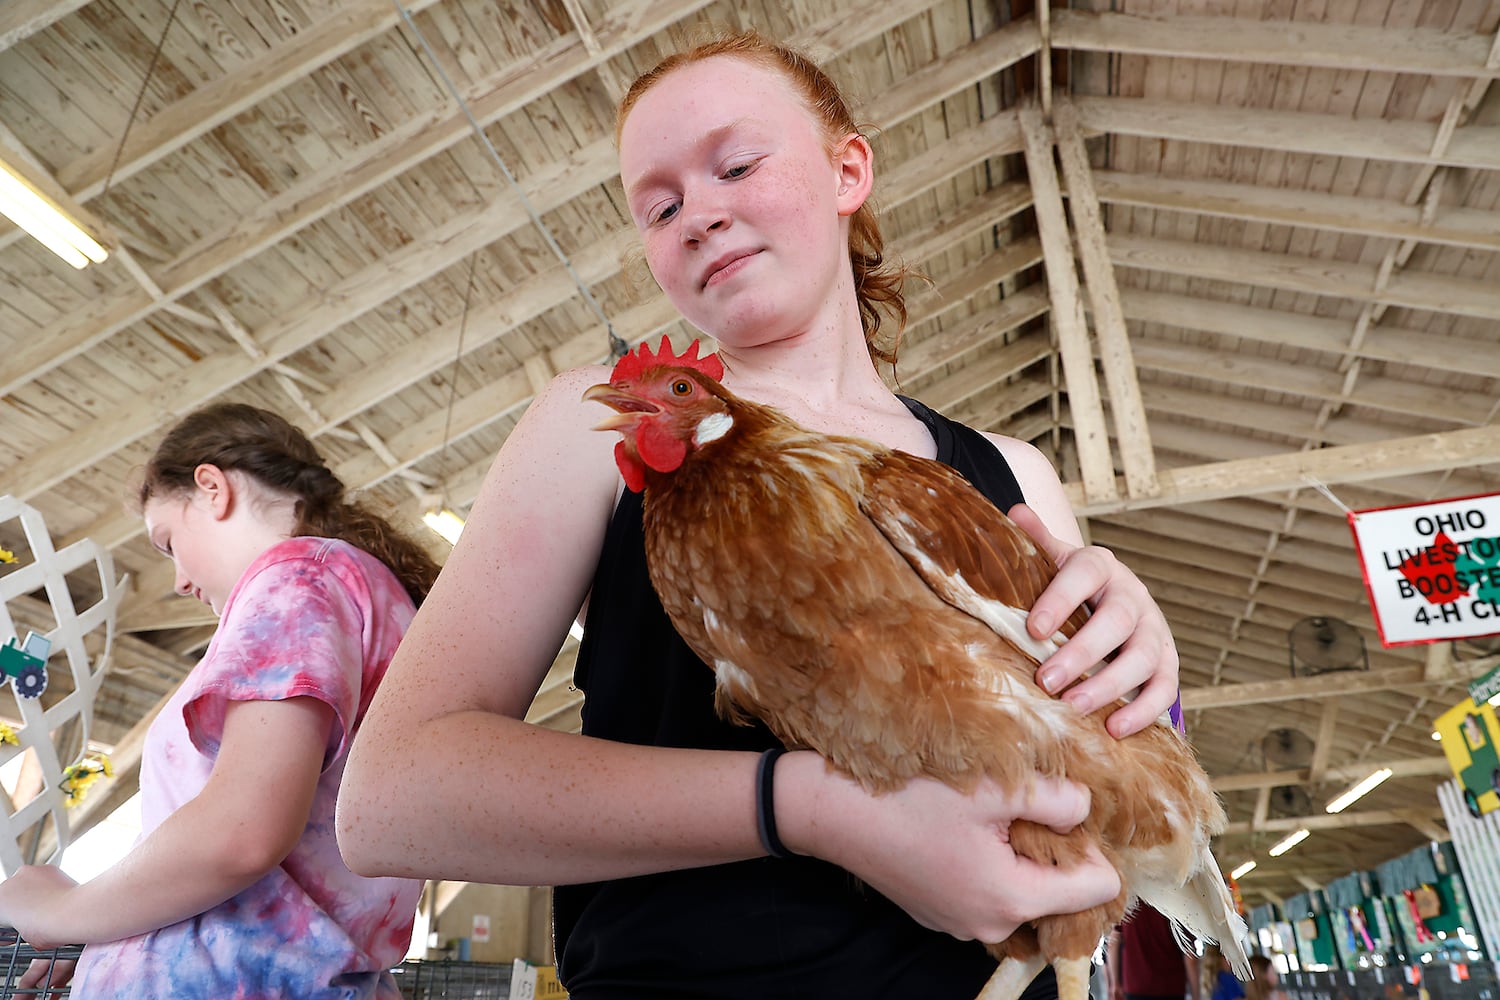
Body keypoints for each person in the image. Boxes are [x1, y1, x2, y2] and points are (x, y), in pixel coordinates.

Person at [336, 31, 1183, 1000]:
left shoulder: (1014, 475)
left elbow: (1131, 778)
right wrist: (808, 807)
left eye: (735, 164)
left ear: (848, 168)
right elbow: (388, 800)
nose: (698, 212)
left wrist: (1147, 666)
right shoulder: (611, 423)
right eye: (658, 206)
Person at [0, 403, 438, 999]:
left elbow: (240, 833)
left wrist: (59, 909)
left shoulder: (295, 579)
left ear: (212, 488)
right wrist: (115, 934)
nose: (179, 580)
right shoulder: (369, 597)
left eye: (167, 542)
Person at [1109, 904, 1200, 1000]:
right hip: (1171, 988)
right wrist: (1196, 996)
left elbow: (1113, 942)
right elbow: (1190, 957)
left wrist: (1115, 983)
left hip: (1136, 987)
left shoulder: (1128, 901)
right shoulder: (1175, 901)